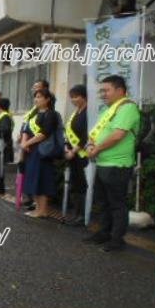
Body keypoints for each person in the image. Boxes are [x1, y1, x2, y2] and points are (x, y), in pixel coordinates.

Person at [83, 75, 141, 252]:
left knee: (117, 204)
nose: (103, 94)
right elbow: (95, 134)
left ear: (120, 90)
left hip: (118, 165)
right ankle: (104, 233)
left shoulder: (128, 107)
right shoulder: (108, 110)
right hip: (103, 163)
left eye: (106, 90)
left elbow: (117, 135)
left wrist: (97, 149)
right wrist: (91, 145)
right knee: (103, 202)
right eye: (102, 91)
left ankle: (117, 240)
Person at [19, 88, 59, 218]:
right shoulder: (33, 114)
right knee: (33, 179)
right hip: (31, 151)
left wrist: (27, 143)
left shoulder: (51, 114)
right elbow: (25, 130)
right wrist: (24, 142)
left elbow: (44, 133)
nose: (36, 99)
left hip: (42, 152)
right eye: (35, 97)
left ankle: (42, 210)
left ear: (47, 99)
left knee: (42, 180)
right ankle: (38, 209)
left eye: (40, 97)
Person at [64, 84, 89, 220]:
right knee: (74, 185)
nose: (73, 100)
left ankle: (81, 216)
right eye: (71, 97)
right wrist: (66, 147)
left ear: (84, 97)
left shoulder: (88, 113)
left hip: (82, 155)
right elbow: (68, 133)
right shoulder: (75, 113)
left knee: (81, 185)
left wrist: (73, 151)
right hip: (72, 154)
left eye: (76, 97)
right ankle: (76, 213)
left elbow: (86, 136)